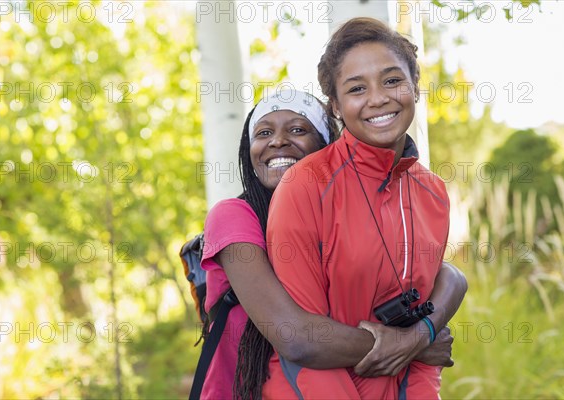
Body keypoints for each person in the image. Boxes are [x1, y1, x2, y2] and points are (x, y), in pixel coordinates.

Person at [200, 89, 466, 399]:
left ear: (326, 145)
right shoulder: (233, 217)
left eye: (298, 129)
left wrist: (423, 333)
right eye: (263, 132)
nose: (278, 141)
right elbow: (296, 335)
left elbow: (444, 273)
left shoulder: (341, 213)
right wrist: (413, 345)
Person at [264, 18, 464, 399]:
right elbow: (305, 348)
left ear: (415, 88)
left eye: (392, 81)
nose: (378, 98)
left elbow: (424, 343)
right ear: (336, 106)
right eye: (357, 88)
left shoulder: (433, 193)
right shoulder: (305, 186)